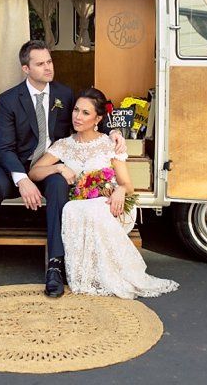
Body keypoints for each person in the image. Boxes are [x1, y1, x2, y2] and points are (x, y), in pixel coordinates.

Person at [0, 41, 124, 297]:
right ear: (26, 69)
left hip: (51, 166)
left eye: (49, 61)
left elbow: (88, 117)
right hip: (15, 167)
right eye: (40, 64)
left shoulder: (64, 94)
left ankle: (55, 265)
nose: (48, 67)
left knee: (60, 186)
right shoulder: (9, 99)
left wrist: (113, 131)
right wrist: (22, 180)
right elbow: (4, 148)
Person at [29, 87, 179, 299]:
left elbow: (127, 184)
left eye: (85, 113)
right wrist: (58, 167)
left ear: (98, 118)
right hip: (82, 207)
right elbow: (34, 172)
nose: (77, 117)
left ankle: (113, 275)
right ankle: (86, 275)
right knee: (72, 208)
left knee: (89, 209)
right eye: (76, 110)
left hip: (112, 205)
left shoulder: (109, 144)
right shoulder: (64, 145)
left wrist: (119, 190)